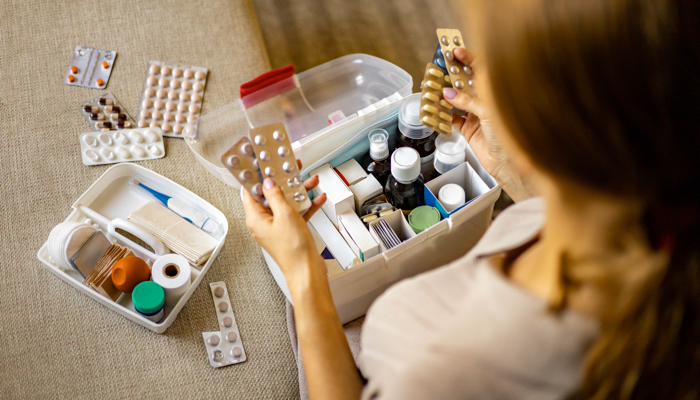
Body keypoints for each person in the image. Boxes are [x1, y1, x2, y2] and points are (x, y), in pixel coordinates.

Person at [242, 0, 700, 398]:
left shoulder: (448, 373)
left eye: (498, 72)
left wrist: (303, 272)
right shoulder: (655, 230)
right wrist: (514, 175)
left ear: (535, 131)